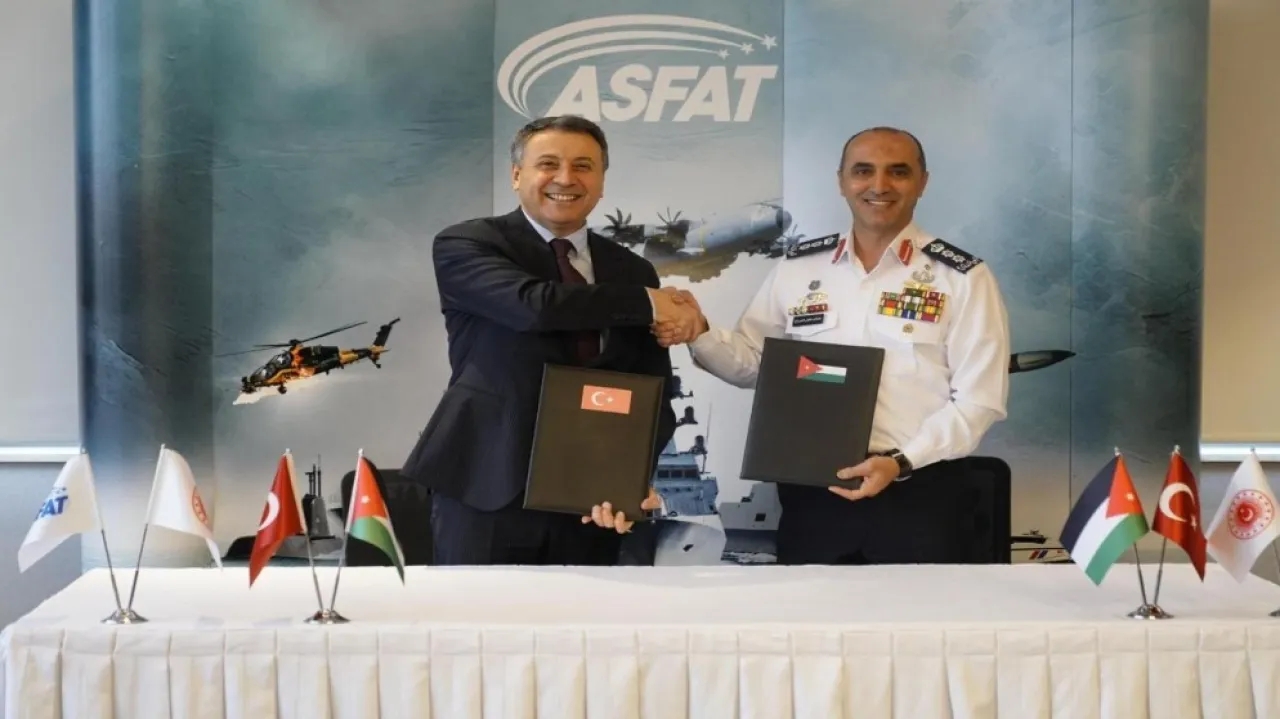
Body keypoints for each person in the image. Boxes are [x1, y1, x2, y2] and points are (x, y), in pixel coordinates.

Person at [655, 126, 1011, 565]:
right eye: (863, 171)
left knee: (915, 611)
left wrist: (901, 461)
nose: (879, 185)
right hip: (813, 497)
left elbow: (979, 400)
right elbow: (756, 365)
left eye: (898, 172)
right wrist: (700, 332)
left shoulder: (961, 277)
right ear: (841, 181)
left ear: (923, 182)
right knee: (810, 609)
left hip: (919, 495)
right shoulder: (799, 269)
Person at [402, 115, 701, 565]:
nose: (565, 178)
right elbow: (533, 307)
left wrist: (627, 477)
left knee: (582, 613)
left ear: (601, 181)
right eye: (548, 164)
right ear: (516, 175)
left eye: (583, 166)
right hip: (484, 486)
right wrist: (648, 303)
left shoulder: (632, 271)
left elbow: (650, 390)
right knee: (479, 612)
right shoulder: (468, 243)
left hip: (591, 500)